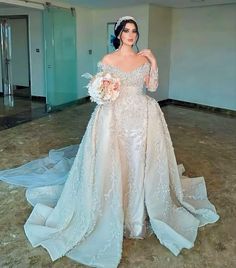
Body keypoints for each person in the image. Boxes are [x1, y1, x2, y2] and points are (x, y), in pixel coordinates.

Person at [0, 16, 219, 268]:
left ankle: (136, 217)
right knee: (113, 163)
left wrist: (154, 61)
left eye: (134, 31)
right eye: (126, 30)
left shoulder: (144, 59)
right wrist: (104, 91)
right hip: (113, 118)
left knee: (138, 163)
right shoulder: (107, 60)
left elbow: (153, 86)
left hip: (143, 117)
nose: (131, 35)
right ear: (119, 33)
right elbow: (101, 89)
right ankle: (113, 212)